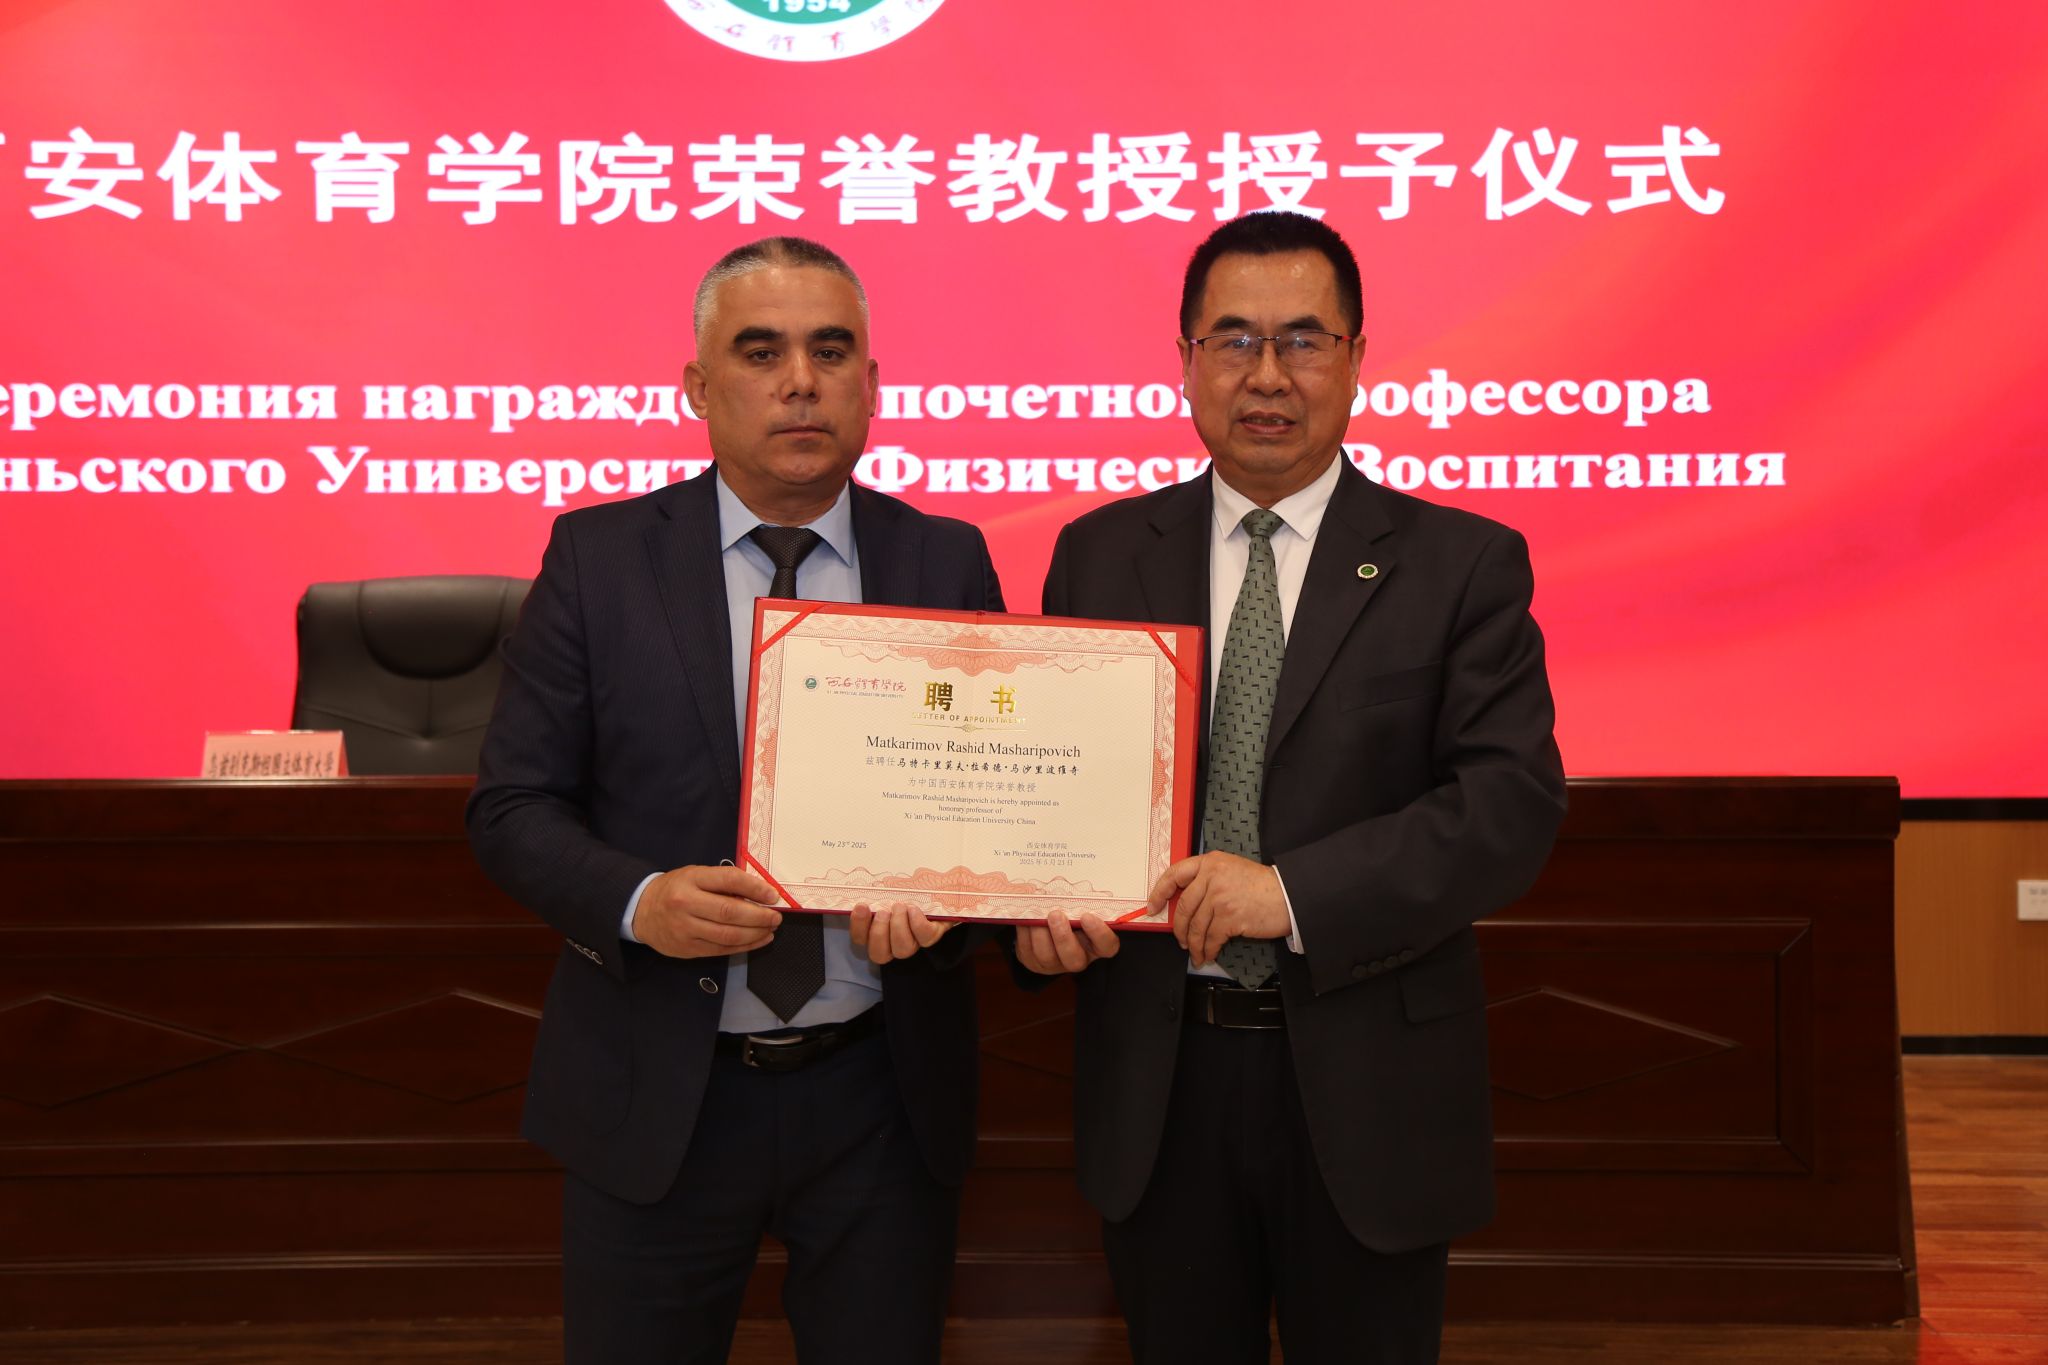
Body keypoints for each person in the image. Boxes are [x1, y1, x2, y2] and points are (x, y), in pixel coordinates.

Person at [1018, 211, 1566, 1364]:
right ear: (1184, 361)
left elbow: (1505, 808)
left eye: (1302, 340)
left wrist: (1289, 894)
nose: (1265, 375)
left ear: (1356, 357)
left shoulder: (1459, 563)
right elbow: (1058, 791)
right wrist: (1037, 910)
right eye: (1231, 340)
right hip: (1159, 1083)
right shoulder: (1099, 554)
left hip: (1369, 1086)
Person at [467, 236, 1004, 1365]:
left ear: (871, 382)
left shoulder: (943, 559)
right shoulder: (600, 557)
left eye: (830, 351)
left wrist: (949, 910)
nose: (800, 382)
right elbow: (512, 807)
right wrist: (640, 901)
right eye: (761, 353)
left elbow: (985, 811)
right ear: (699, 387)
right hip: (660, 1085)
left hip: (880, 1091)